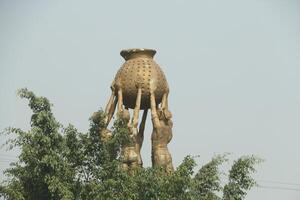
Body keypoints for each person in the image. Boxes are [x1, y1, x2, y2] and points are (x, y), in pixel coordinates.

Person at [150, 80, 174, 172]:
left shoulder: (158, 126)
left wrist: (152, 93)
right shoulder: (169, 125)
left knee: (159, 181)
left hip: (159, 155)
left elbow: (152, 109)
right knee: (171, 181)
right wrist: (165, 94)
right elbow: (165, 109)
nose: (158, 109)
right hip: (167, 155)